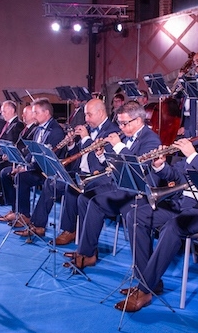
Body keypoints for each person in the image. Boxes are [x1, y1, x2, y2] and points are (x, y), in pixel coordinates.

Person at [115, 99, 198, 312]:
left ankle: (144, 289)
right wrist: (160, 165)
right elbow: (177, 175)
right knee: (135, 216)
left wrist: (193, 156)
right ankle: (150, 281)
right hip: (182, 203)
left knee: (173, 227)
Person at [64, 101, 161, 269]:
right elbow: (113, 165)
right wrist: (102, 156)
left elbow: (137, 170)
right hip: (118, 184)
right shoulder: (125, 136)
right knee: (84, 198)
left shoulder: (151, 139)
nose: (121, 128)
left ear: (138, 121)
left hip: (137, 190)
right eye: (120, 123)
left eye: (124, 123)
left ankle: (86, 253)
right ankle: (87, 250)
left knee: (95, 203)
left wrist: (118, 145)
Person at [15, 98, 120, 239]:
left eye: (89, 115)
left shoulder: (112, 132)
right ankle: (38, 225)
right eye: (85, 115)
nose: (86, 119)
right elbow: (77, 154)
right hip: (79, 171)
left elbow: (99, 161)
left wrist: (86, 138)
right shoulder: (89, 128)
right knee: (51, 181)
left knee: (71, 188)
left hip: (96, 175)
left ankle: (69, 230)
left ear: (100, 113)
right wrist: (71, 144)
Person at [0, 98, 65, 226]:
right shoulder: (38, 128)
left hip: (46, 170)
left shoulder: (56, 131)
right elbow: (32, 152)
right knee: (8, 173)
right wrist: (22, 164)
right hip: (35, 166)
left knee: (21, 177)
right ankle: (17, 211)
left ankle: (24, 215)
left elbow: (46, 159)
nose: (33, 116)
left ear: (46, 113)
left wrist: (27, 168)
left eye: (36, 113)